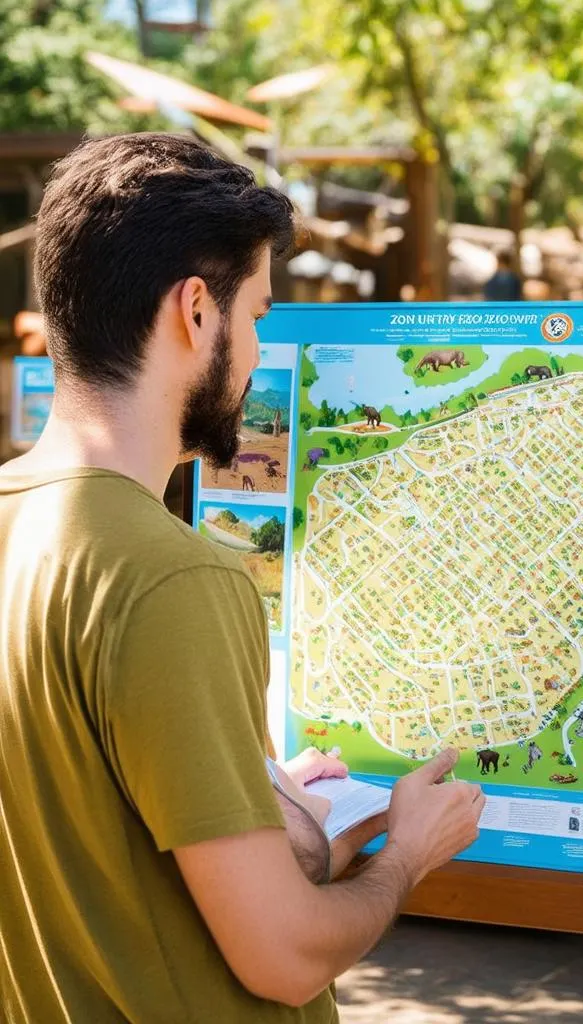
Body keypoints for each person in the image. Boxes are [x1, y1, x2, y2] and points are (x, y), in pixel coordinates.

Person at [0, 133, 484, 1023]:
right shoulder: (175, 578)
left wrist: (268, 816)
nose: (259, 351)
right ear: (194, 311)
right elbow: (286, 956)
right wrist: (408, 852)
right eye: (257, 313)